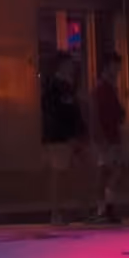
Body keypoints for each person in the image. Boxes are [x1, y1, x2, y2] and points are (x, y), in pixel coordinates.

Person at [41, 51, 86, 225]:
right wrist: (67, 136)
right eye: (68, 64)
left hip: (70, 137)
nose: (71, 67)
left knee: (74, 172)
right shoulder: (54, 86)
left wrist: (79, 133)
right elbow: (53, 114)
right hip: (58, 138)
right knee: (59, 174)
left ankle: (73, 209)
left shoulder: (68, 86)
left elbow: (74, 112)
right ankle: (57, 211)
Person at [91, 49, 126, 222]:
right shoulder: (102, 89)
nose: (117, 70)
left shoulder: (110, 88)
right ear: (107, 66)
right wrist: (101, 138)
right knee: (112, 171)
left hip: (111, 136)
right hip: (107, 137)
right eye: (115, 66)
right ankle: (105, 208)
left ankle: (104, 208)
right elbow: (96, 115)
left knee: (107, 171)